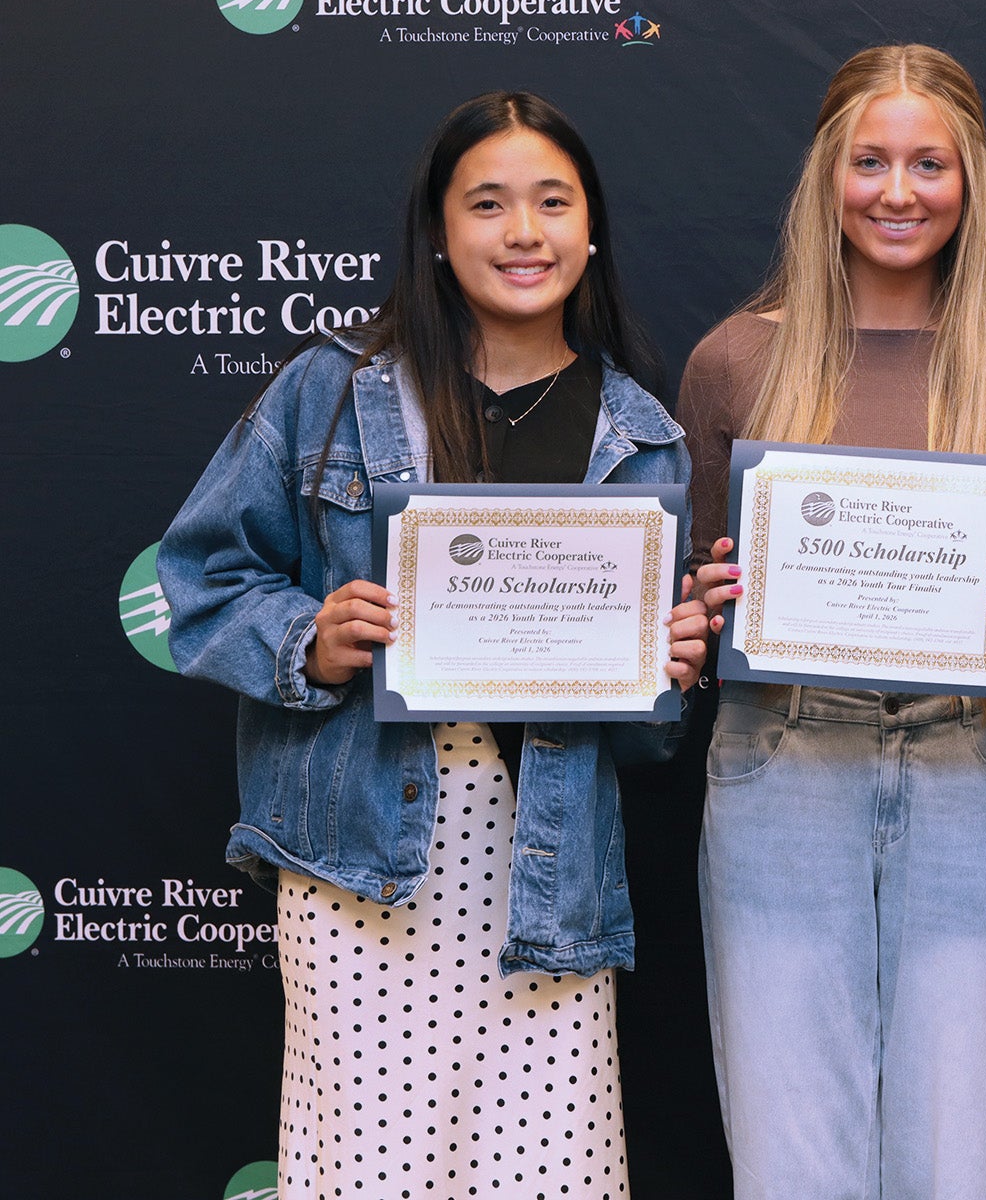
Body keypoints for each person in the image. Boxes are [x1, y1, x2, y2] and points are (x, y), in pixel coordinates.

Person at [160, 90, 709, 1198]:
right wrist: (309, 639)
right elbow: (200, 580)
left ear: (590, 228)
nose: (524, 232)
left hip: (544, 872)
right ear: (438, 232)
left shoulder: (642, 437)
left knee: (544, 1176)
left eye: (553, 202)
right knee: (368, 1173)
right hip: (366, 857)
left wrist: (670, 673)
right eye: (489, 203)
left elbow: (647, 743)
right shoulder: (336, 392)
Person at [675, 44, 986, 1199]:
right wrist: (705, 607)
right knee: (791, 1156)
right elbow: (696, 608)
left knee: (965, 1161)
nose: (897, 192)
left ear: (971, 182)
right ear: (825, 174)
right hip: (781, 766)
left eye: (928, 163)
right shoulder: (735, 360)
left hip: (973, 769)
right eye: (869, 161)